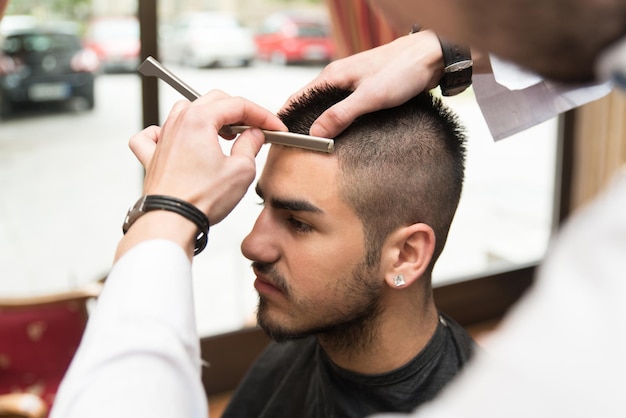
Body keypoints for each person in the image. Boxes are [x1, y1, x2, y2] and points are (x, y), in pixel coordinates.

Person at [221, 85, 473, 417]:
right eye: (262, 203)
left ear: (405, 255)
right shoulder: (303, 339)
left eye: (298, 222)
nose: (252, 245)